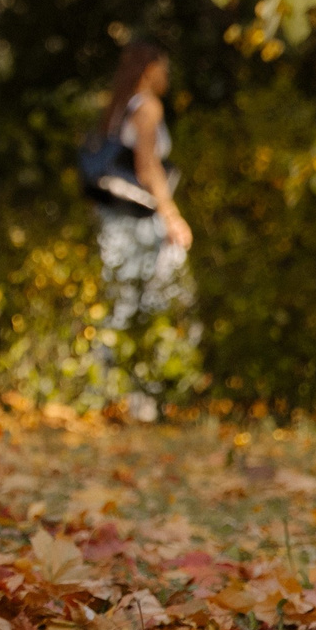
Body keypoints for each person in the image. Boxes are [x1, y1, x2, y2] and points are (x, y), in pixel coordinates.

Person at [84, 39, 194, 422]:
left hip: (113, 220)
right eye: (163, 67)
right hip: (138, 223)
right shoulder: (146, 106)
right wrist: (172, 217)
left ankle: (105, 393)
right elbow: (149, 169)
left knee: (119, 303)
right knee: (153, 304)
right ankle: (142, 399)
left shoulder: (118, 108)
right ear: (150, 69)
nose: (167, 75)